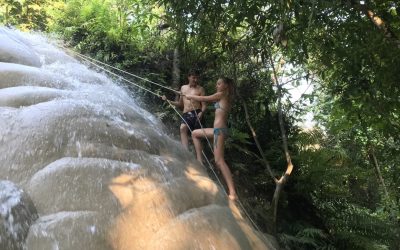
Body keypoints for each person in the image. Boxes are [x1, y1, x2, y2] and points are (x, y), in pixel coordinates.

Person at [185, 77, 237, 201]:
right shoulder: (224, 96)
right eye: (216, 84)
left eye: (219, 83)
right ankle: (200, 162)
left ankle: (233, 193)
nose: (216, 86)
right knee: (195, 134)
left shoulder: (222, 94)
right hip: (217, 131)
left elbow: (205, 99)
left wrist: (191, 97)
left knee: (219, 161)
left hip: (219, 131)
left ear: (225, 85)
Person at [162, 70, 206, 149]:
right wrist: (167, 100)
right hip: (186, 114)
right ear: (189, 77)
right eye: (193, 78)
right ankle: (185, 152)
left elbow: (204, 105)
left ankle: (200, 157)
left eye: (197, 78)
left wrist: (202, 113)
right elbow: (180, 104)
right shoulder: (183, 88)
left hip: (197, 113)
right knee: (182, 128)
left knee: (197, 135)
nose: (195, 80)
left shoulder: (200, 89)